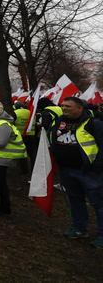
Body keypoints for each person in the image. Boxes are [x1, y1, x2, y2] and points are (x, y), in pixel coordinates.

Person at [49, 97, 103, 248]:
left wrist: (96, 166)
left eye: (68, 106)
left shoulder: (95, 124)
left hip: (89, 172)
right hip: (66, 169)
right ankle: (79, 228)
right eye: (63, 106)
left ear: (80, 108)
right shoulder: (59, 122)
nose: (64, 108)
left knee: (98, 203)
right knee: (75, 200)